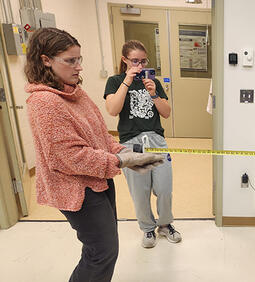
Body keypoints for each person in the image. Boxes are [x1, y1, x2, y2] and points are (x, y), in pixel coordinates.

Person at [24, 28, 164, 282]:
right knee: (101, 251)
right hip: (77, 190)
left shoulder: (73, 91)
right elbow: (69, 157)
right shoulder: (45, 103)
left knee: (105, 248)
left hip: (98, 181)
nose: (78, 67)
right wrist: (120, 160)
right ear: (45, 60)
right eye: (70, 60)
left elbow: (99, 135)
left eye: (79, 59)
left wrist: (124, 151)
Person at [104, 40, 181, 249]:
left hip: (156, 140)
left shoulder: (152, 81)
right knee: (140, 191)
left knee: (164, 188)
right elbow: (112, 109)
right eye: (134, 61)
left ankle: (165, 225)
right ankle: (147, 228)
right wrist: (127, 81)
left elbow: (166, 112)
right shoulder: (115, 81)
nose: (139, 65)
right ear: (124, 60)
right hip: (131, 142)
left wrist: (154, 93)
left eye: (143, 61)